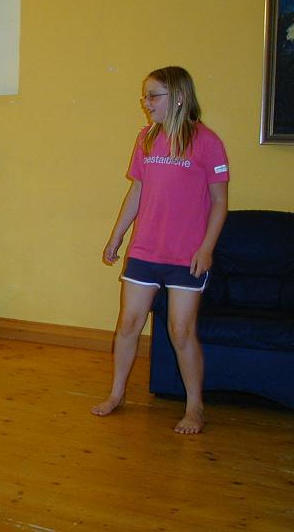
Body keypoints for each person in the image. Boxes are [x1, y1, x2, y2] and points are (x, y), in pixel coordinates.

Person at [91, 66, 229, 434]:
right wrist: (116, 237)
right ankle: (117, 394)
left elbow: (219, 202)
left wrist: (206, 249)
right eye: (145, 96)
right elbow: (136, 191)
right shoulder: (146, 139)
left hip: (186, 256)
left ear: (179, 97)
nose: (146, 102)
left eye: (153, 96)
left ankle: (195, 407)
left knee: (181, 331)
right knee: (128, 324)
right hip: (145, 251)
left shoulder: (207, 141)